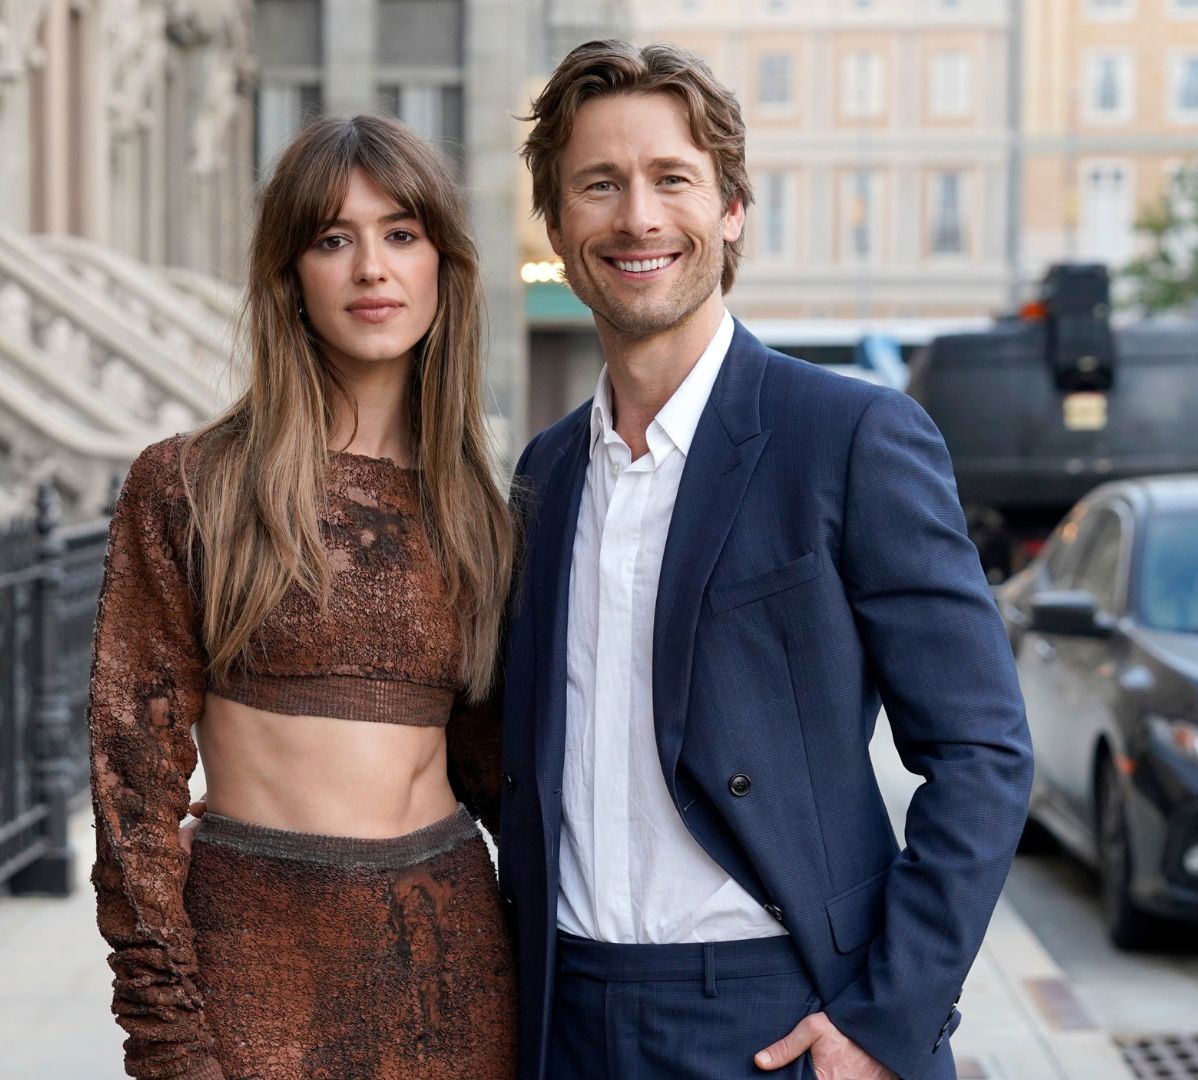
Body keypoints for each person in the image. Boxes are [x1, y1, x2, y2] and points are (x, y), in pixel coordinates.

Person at [495, 41, 1034, 1080]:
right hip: (564, 1014)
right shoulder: (545, 475)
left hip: (777, 1018)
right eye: (598, 185)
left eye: (671, 180)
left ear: (732, 208)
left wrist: (887, 1019)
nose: (637, 217)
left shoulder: (851, 436)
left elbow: (984, 752)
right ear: (557, 226)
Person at [85, 113, 518, 1080]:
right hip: (263, 957)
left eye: (402, 234)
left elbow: (509, 779)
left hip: (456, 959)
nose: (372, 267)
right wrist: (165, 1033)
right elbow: (131, 782)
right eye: (334, 239)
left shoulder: (481, 512)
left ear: (443, 267)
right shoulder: (193, 485)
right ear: (291, 275)